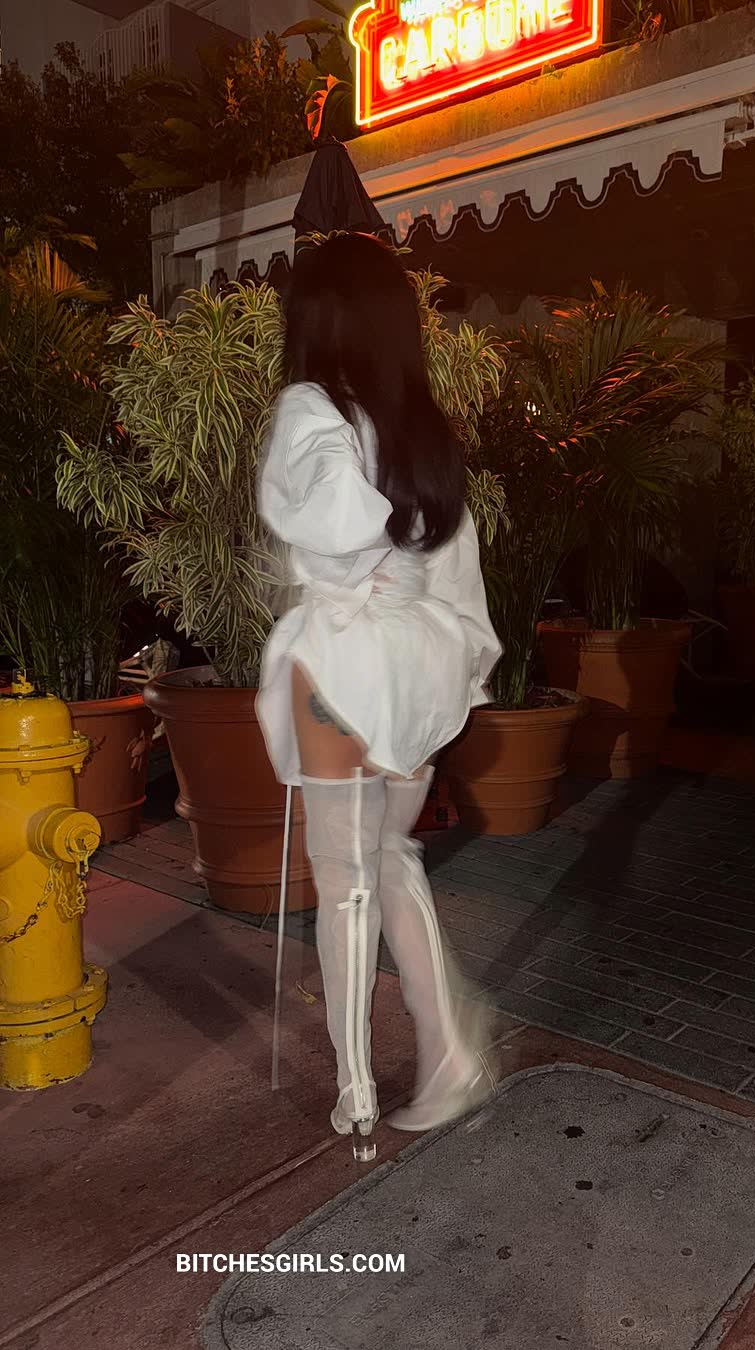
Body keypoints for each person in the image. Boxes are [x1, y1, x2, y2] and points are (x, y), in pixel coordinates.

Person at [255, 233, 502, 1160]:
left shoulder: (310, 406)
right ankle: (449, 1054)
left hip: (345, 658)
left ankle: (356, 1095)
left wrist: (353, 548)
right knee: (390, 856)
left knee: (345, 879)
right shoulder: (421, 426)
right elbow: (457, 570)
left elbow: (334, 516)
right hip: (419, 659)